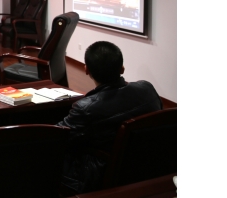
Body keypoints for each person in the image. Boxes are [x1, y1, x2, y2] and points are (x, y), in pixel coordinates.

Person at [57, 41, 162, 194]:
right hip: (149, 167)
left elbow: (58, 138)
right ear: (122, 69)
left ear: (86, 70)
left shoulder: (86, 108)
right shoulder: (147, 89)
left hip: (98, 176)